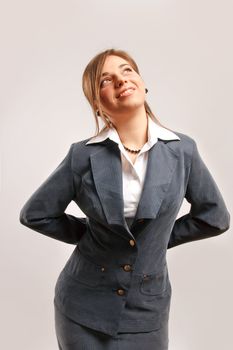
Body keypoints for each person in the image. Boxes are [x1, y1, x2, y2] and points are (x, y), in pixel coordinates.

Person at [19, 48, 230, 350]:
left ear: (143, 84)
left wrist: (158, 239)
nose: (121, 80)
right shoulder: (82, 155)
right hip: (82, 306)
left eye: (127, 70)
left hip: (146, 312)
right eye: (106, 80)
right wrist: (92, 236)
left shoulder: (183, 150)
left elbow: (214, 218)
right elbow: (36, 214)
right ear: (97, 104)